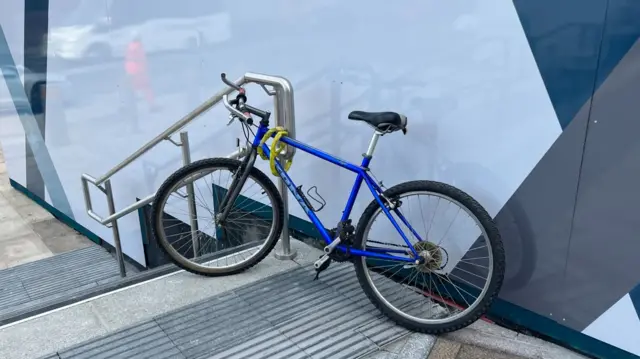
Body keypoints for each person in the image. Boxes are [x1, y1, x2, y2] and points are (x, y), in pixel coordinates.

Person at [124, 30, 158, 112]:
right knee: (147, 88)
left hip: (130, 70)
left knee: (131, 89)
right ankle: (152, 106)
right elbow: (142, 59)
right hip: (139, 70)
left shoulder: (129, 46)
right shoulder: (139, 46)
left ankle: (128, 108)